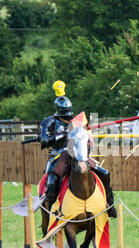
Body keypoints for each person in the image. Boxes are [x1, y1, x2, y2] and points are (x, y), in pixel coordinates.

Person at [40, 80, 117, 218]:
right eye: (65, 113)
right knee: (52, 181)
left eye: (69, 112)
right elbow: (44, 140)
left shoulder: (76, 121)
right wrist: (60, 136)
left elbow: (86, 139)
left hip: (78, 154)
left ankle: (109, 205)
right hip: (58, 155)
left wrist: (84, 134)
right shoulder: (49, 121)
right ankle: (52, 209)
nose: (68, 115)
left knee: (104, 173)